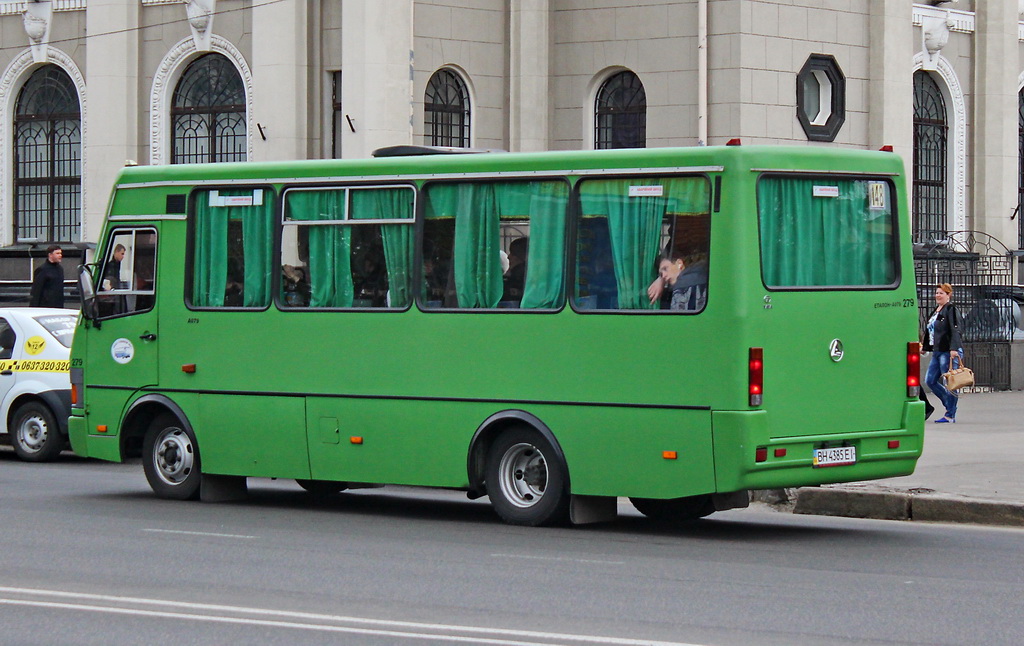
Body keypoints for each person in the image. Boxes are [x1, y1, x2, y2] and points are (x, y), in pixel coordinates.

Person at [922, 283, 963, 423]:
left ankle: (950, 414)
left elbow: (955, 329)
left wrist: (954, 349)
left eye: (941, 293)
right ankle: (949, 403)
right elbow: (931, 331)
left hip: (948, 351)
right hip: (937, 351)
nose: (938, 295)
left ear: (948, 295)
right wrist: (925, 347)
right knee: (930, 380)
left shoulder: (951, 309)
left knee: (951, 383)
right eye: (937, 292)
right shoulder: (936, 310)